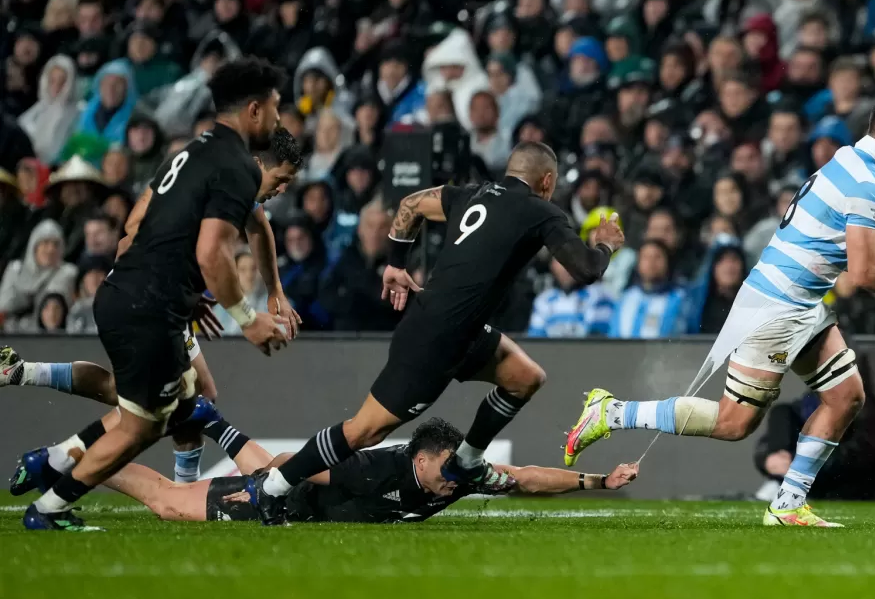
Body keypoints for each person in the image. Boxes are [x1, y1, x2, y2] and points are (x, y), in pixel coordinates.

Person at [564, 96, 875, 527]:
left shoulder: (850, 161)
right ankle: (611, 413)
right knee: (734, 422)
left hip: (800, 301)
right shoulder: (869, 185)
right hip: (778, 306)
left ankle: (788, 504)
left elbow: (856, 261)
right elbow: (866, 273)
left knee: (846, 396)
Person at [249, 142, 625, 525]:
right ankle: (272, 487)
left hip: (458, 329)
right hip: (434, 341)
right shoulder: (541, 212)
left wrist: (396, 263)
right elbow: (586, 270)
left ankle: (467, 461)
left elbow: (410, 204)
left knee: (525, 378)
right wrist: (606, 245)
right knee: (363, 432)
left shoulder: (469, 194)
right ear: (547, 180)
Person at [21, 58, 290, 532]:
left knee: (173, 403)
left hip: (125, 291)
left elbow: (138, 226)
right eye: (275, 108)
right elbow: (212, 252)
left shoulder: (191, 153)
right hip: (150, 306)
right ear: (253, 110)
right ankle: (50, 504)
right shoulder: (235, 166)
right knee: (144, 422)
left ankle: (54, 462)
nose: (278, 119)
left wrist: (191, 284)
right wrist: (248, 318)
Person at [105, 416, 638, 524]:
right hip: (285, 504)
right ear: (420, 459)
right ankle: (82, 467)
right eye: (446, 468)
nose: (455, 479)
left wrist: (598, 481)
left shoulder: (460, 474)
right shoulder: (376, 470)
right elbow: (292, 464)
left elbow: (524, 477)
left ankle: (214, 423)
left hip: (310, 510)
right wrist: (263, 492)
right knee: (167, 502)